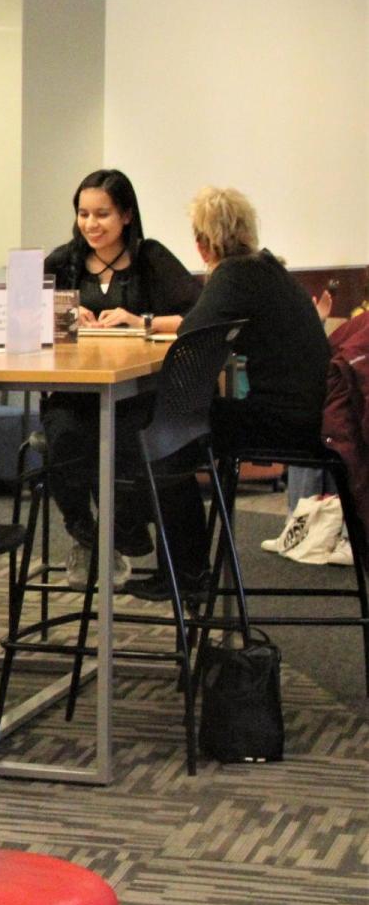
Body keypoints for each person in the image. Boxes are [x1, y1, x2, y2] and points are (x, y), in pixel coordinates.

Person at [127, 186, 332, 600]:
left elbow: (192, 331)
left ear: (203, 244)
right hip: (310, 417)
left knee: (159, 427)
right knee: (172, 427)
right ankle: (186, 568)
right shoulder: (265, 269)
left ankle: (185, 571)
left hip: (283, 425)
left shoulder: (234, 275)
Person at [40, 169, 201, 588]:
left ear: (126, 215)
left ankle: (125, 526)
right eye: (83, 214)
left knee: (126, 438)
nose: (91, 224)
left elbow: (197, 315)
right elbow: (23, 318)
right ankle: (86, 532)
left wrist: (140, 320)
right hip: (74, 390)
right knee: (64, 437)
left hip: (138, 391)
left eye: (103, 214)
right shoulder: (62, 262)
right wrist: (61, 317)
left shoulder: (150, 259)